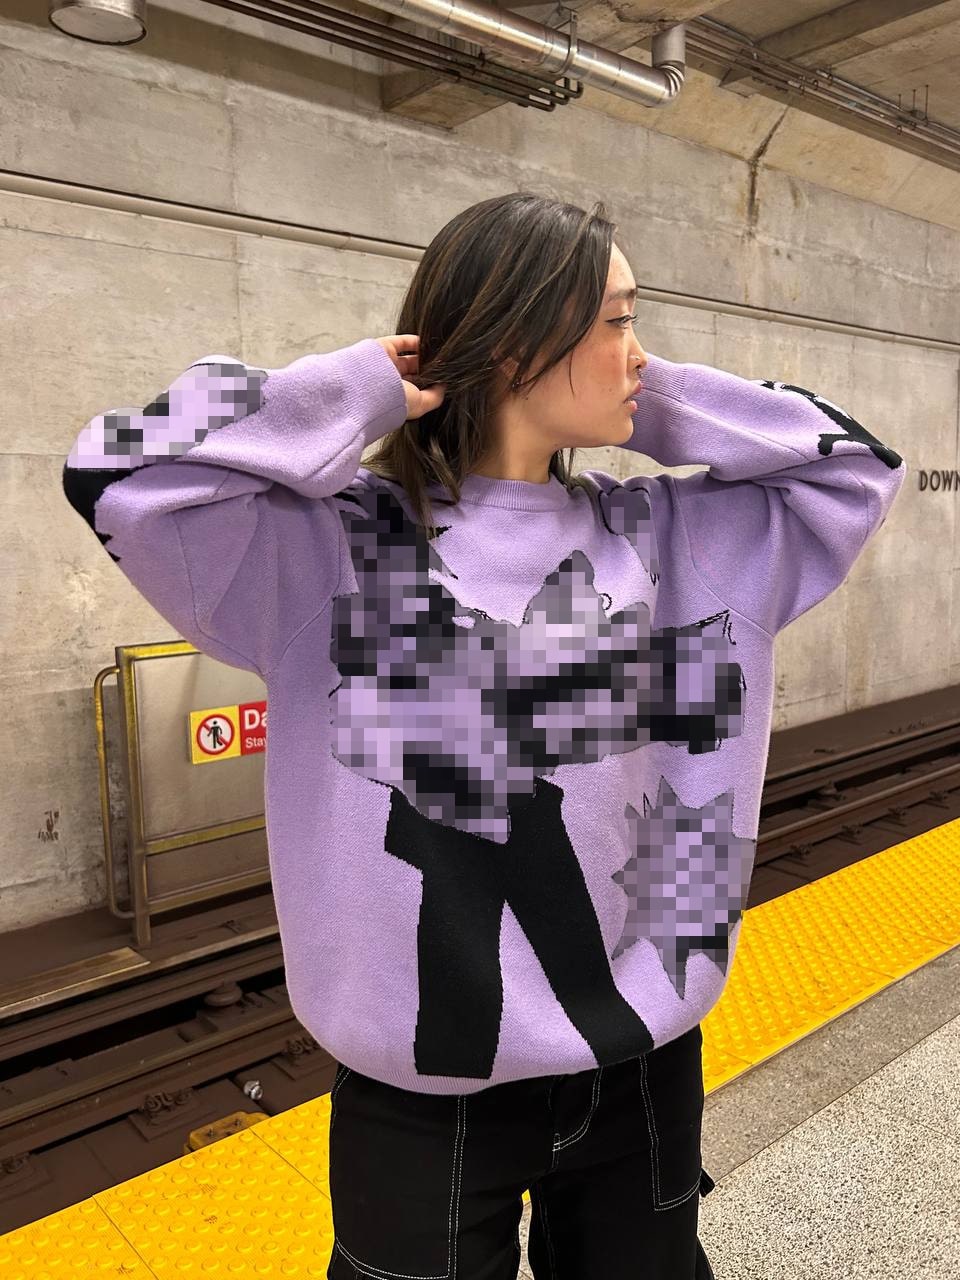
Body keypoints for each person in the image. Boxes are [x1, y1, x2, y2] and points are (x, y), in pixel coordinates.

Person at [62, 191, 906, 1279]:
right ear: (515, 342)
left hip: (641, 1066)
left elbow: (855, 463)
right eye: (617, 321)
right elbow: (118, 468)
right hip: (419, 1092)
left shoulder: (676, 538)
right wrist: (360, 388)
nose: (640, 353)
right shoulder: (332, 550)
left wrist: (651, 403)